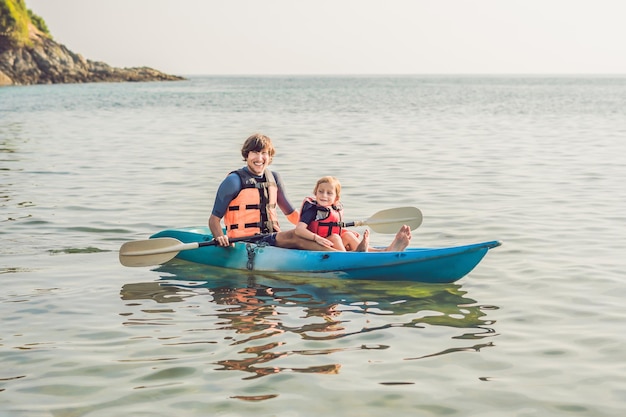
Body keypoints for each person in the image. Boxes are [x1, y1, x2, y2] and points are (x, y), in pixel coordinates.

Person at [209, 133, 337, 250]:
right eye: (255, 152)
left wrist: (316, 228)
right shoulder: (233, 181)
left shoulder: (274, 178)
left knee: (324, 235)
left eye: (264, 153)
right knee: (295, 236)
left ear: (270, 156)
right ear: (246, 155)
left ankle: (348, 253)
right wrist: (220, 237)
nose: (259, 158)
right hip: (245, 240)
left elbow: (292, 214)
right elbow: (214, 219)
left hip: (271, 237)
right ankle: (342, 257)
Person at [295, 176, 412, 252]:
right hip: (313, 245)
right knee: (336, 237)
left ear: (336, 198)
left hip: (328, 244)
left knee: (348, 235)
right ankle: (351, 257)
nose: (324, 195)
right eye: (320, 191)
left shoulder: (333, 209)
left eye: (329, 193)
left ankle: (385, 251)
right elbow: (299, 230)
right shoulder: (312, 210)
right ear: (315, 192)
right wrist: (317, 238)